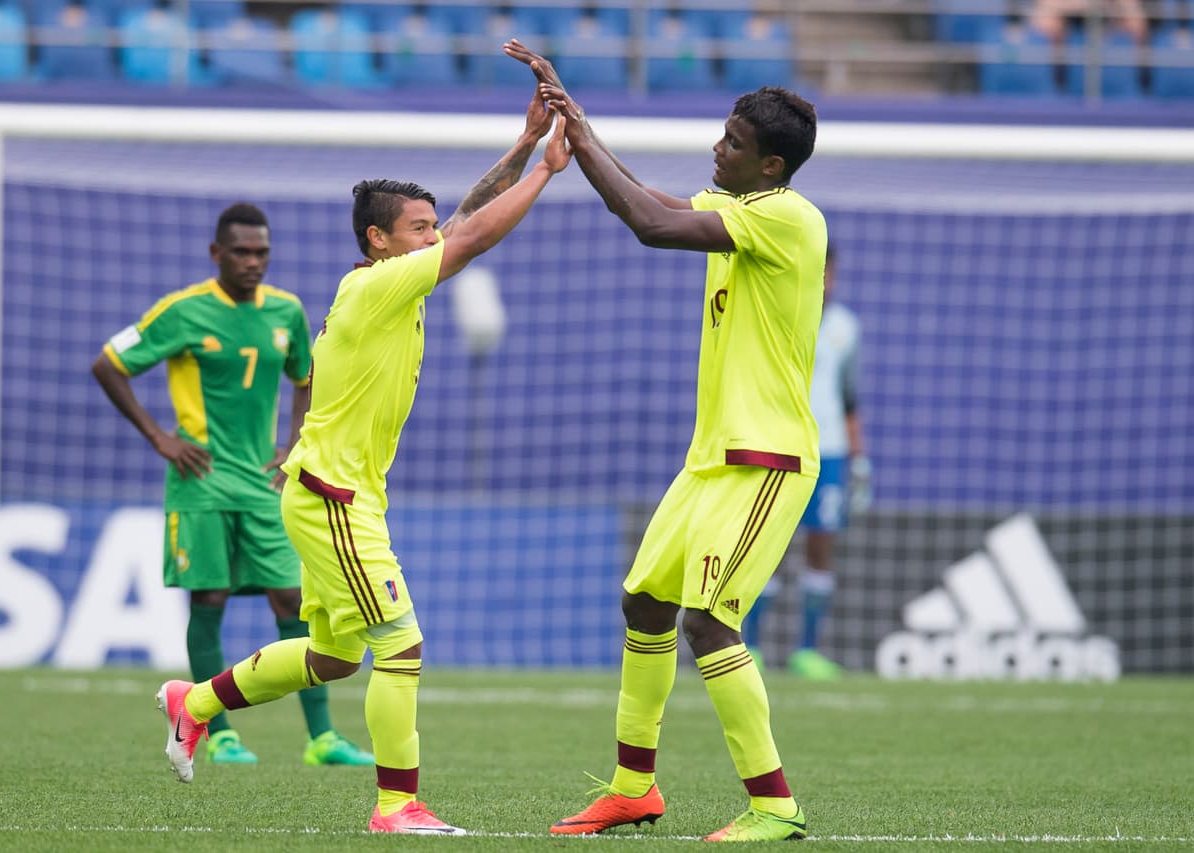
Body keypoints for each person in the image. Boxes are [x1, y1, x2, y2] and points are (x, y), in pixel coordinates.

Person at [153, 89, 571, 836]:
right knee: (400, 645)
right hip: (333, 495)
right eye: (417, 229)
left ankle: (198, 703)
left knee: (335, 657)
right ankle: (395, 806)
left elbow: (461, 222)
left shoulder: (393, 276)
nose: (432, 236)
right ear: (378, 240)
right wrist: (545, 170)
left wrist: (519, 147)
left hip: (340, 492)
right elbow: (472, 241)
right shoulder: (380, 285)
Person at [505, 40, 825, 843]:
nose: (717, 148)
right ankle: (632, 787)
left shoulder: (787, 217)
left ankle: (774, 804)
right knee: (645, 601)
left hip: (767, 460)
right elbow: (654, 197)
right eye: (721, 133)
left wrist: (575, 135)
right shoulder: (744, 211)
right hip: (711, 459)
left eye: (733, 143)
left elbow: (649, 222)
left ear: (770, 164)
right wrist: (576, 122)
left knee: (711, 620)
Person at [91, 202, 375, 769]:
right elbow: (109, 364)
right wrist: (160, 439)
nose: (253, 262)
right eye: (242, 252)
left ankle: (321, 738)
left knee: (293, 600)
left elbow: (305, 377)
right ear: (216, 254)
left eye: (262, 253)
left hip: (263, 484)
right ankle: (215, 730)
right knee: (210, 598)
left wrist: (293, 441)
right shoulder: (184, 311)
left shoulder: (286, 310)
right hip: (200, 483)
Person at [740, 243, 869, 681]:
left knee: (820, 546)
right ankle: (750, 647)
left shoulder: (846, 328)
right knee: (767, 549)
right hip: (780, 447)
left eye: (830, 273)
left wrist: (859, 461)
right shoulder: (778, 314)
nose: (825, 281)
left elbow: (850, 397)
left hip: (828, 452)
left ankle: (807, 651)